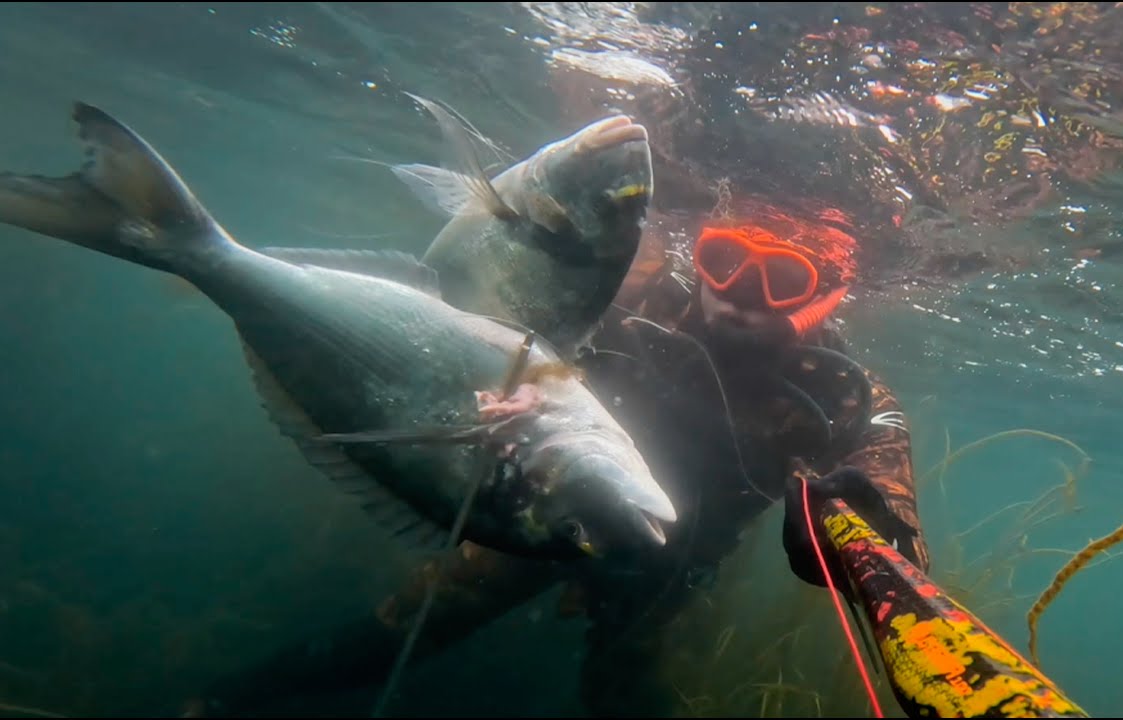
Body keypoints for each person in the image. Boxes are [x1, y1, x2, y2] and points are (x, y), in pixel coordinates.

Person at [181, 192, 929, 718]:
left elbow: (889, 487)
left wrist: (861, 513)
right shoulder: (628, 300)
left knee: (622, 693)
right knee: (406, 625)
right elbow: (493, 327)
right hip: (540, 513)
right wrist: (506, 388)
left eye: (786, 280)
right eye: (724, 259)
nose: (741, 294)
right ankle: (225, 699)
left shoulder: (840, 391)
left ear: (827, 294)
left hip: (665, 566)